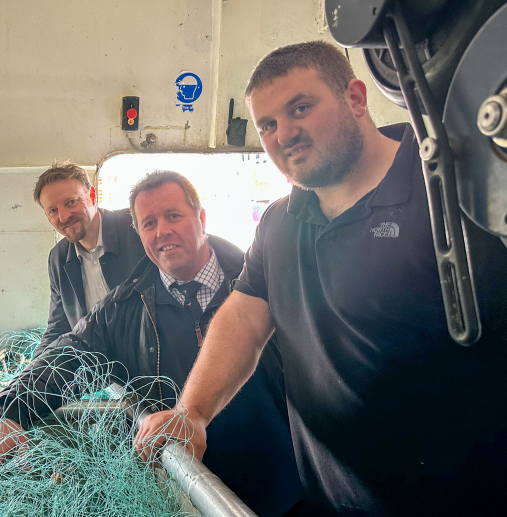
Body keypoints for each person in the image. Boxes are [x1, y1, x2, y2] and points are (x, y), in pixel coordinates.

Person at [135, 41, 507, 516]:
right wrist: (193, 413)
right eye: (267, 124)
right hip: (328, 502)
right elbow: (245, 319)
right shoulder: (279, 223)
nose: (283, 134)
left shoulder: (451, 194)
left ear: (356, 98)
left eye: (301, 108)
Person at [0, 171, 302, 517]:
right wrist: (10, 413)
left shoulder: (266, 286)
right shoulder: (120, 309)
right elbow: (69, 352)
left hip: (282, 483)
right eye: (149, 223)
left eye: (173, 216)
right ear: (138, 234)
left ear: (201, 218)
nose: (162, 231)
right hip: (182, 490)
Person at [33, 162, 146, 356]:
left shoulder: (136, 228)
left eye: (71, 202)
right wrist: (26, 381)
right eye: (52, 211)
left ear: (92, 196)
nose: (64, 216)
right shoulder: (58, 259)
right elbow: (58, 329)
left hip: (154, 360)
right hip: (103, 370)